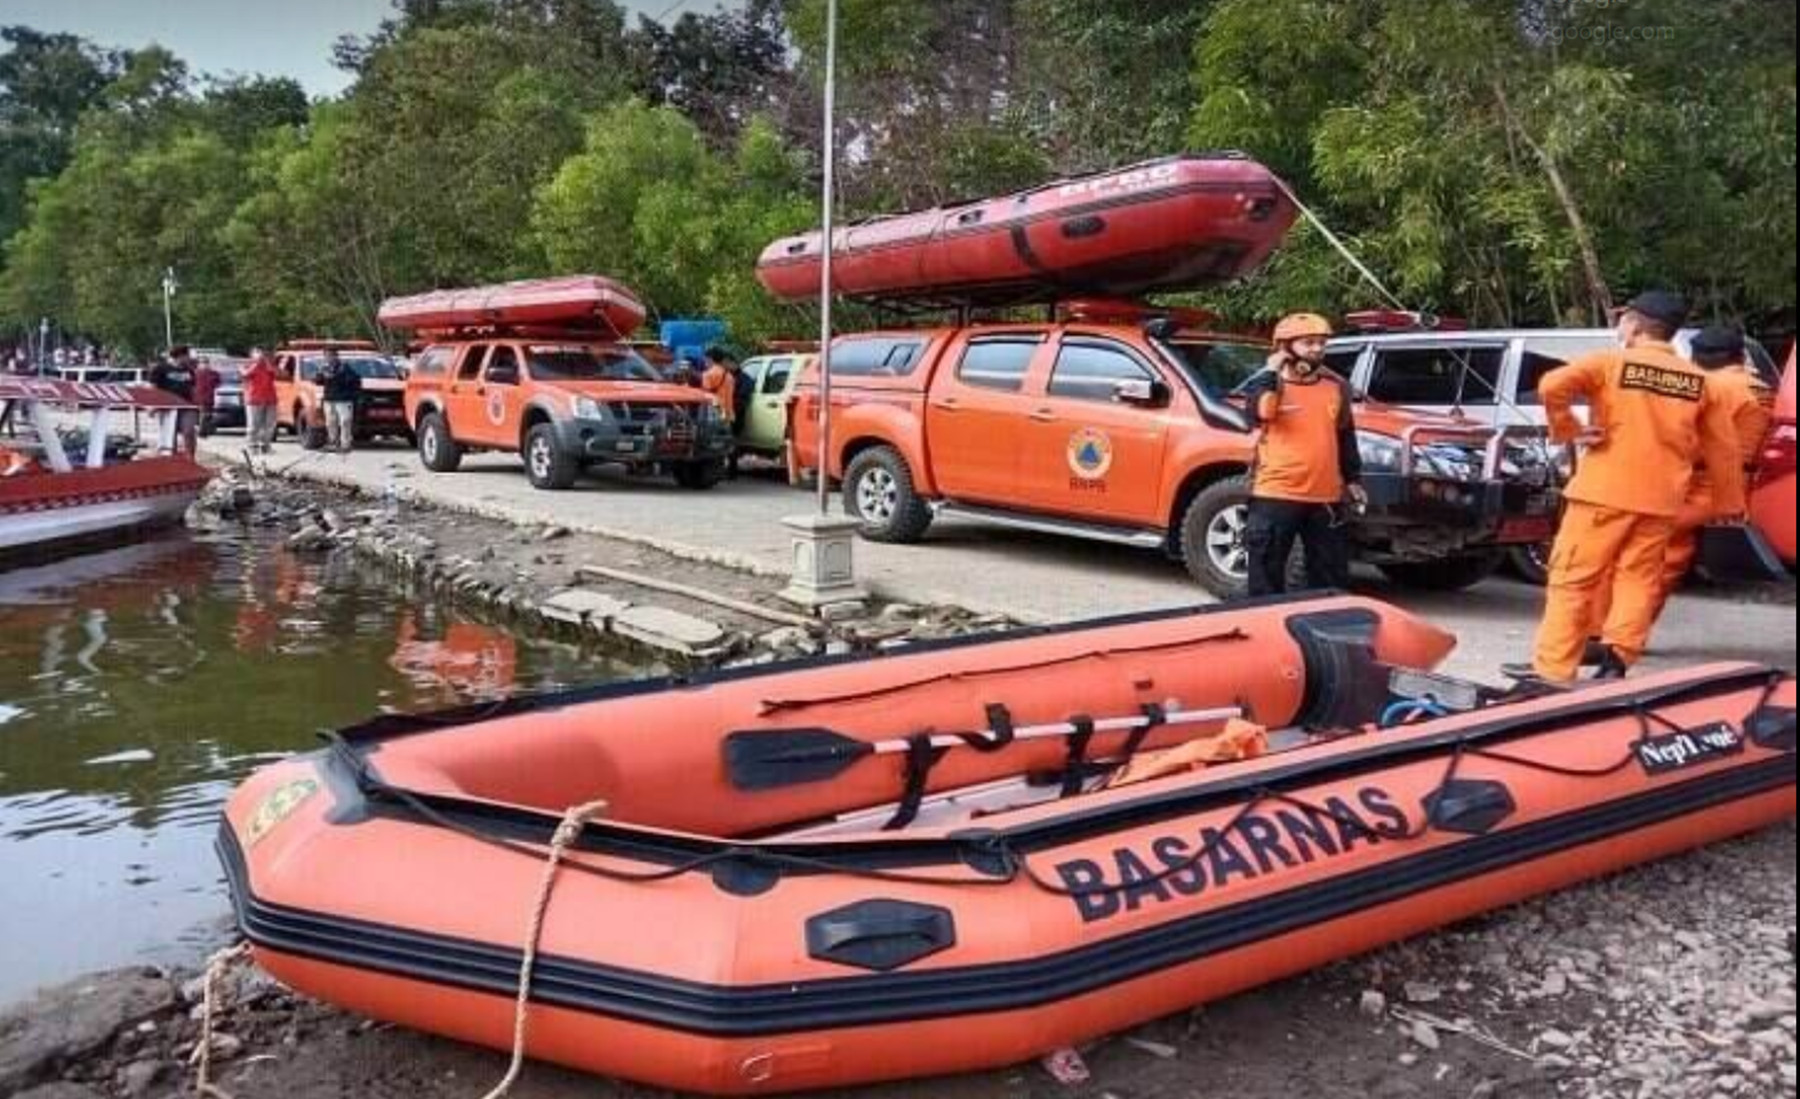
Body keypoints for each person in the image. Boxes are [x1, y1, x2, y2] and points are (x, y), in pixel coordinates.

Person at [1520, 292, 1748, 684]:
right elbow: (1723, 447)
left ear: (1636, 326)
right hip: (1661, 501)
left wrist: (1568, 429)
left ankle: (1553, 670)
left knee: (1573, 576)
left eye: (1622, 319)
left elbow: (1552, 385)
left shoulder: (1610, 363)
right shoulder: (1700, 382)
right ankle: (1617, 661)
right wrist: (1729, 502)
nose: (1619, 325)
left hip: (1603, 494)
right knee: (1638, 579)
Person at [1238, 313, 1366, 596]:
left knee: (1330, 577)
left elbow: (1345, 434)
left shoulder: (1336, 387)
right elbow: (1263, 413)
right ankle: (1266, 630)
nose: (1318, 349)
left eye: (1322, 343)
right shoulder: (1266, 384)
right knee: (1265, 575)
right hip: (1276, 493)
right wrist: (1272, 371)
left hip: (1325, 497)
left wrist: (1353, 479)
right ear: (1284, 346)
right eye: (1309, 343)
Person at [150, 347, 199, 455]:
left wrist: (197, 405)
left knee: (189, 431)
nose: (189, 359)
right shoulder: (161, 369)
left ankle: (190, 458)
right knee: (170, 436)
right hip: (167, 406)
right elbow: (154, 388)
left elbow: (193, 388)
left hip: (186, 405)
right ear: (180, 356)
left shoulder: (189, 370)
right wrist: (153, 405)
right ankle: (173, 459)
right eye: (187, 356)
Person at [701, 347, 743, 477]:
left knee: (711, 443)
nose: (704, 361)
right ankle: (732, 469)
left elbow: (705, 396)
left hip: (714, 414)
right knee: (727, 442)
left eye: (706, 359)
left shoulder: (708, 375)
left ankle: (714, 471)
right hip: (728, 414)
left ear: (710, 359)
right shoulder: (729, 376)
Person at [319, 349, 362, 454]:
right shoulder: (324, 368)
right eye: (326, 356)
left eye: (331, 355)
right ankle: (332, 442)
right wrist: (321, 376)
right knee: (330, 422)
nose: (328, 358)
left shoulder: (344, 367)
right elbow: (318, 380)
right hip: (329, 399)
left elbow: (356, 380)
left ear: (336, 356)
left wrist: (339, 378)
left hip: (343, 399)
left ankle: (345, 444)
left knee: (345, 421)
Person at [243, 348, 280, 455]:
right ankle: (252, 446)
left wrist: (268, 363)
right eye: (257, 352)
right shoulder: (246, 365)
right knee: (253, 425)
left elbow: (276, 374)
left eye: (262, 353)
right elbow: (246, 374)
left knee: (269, 425)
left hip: (270, 399)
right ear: (252, 355)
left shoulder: (268, 365)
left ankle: (265, 446)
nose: (261, 355)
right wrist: (257, 363)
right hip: (254, 399)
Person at [193, 356, 222, 437]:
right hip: (199, 397)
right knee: (203, 414)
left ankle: (207, 430)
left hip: (210, 396)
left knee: (208, 414)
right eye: (202, 363)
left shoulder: (214, 373)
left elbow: (218, 383)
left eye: (206, 362)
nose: (204, 364)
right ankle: (201, 432)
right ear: (198, 364)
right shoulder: (195, 373)